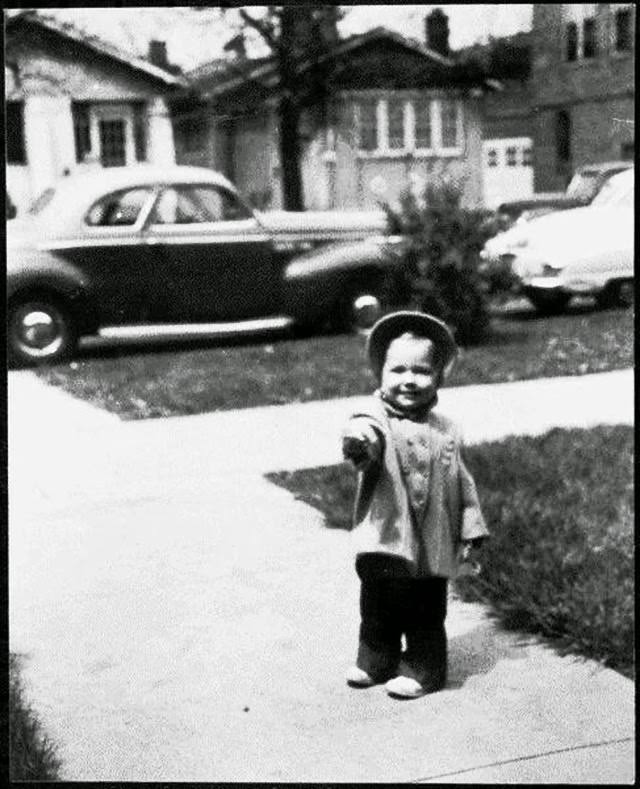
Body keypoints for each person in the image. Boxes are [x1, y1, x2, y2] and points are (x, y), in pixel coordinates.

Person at [341, 311, 489, 699]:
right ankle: (376, 660)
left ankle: (425, 669)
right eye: (398, 370)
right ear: (381, 374)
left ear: (439, 376)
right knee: (377, 605)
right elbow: (365, 432)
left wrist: (471, 526)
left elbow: (462, 480)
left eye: (422, 371)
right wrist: (358, 440)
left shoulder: (447, 429)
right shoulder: (375, 417)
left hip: (431, 542)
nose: (409, 380)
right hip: (386, 537)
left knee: (424, 611)